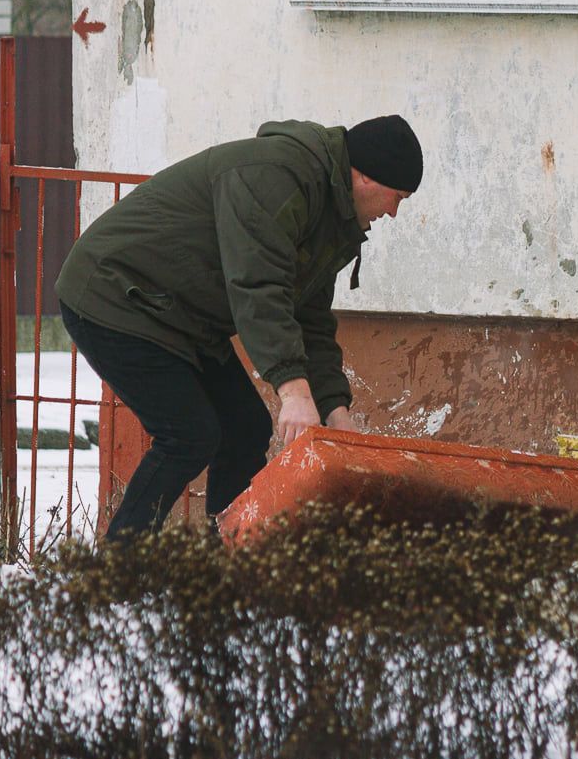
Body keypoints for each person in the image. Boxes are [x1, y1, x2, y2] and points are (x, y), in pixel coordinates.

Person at [56, 115, 423, 538]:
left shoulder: (332, 217)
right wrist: (293, 390)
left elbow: (311, 321)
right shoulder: (277, 176)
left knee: (245, 427)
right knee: (189, 435)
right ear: (364, 176)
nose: (394, 213)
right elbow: (257, 284)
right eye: (397, 197)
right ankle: (117, 572)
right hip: (116, 293)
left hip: (180, 314)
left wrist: (335, 412)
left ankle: (226, 562)